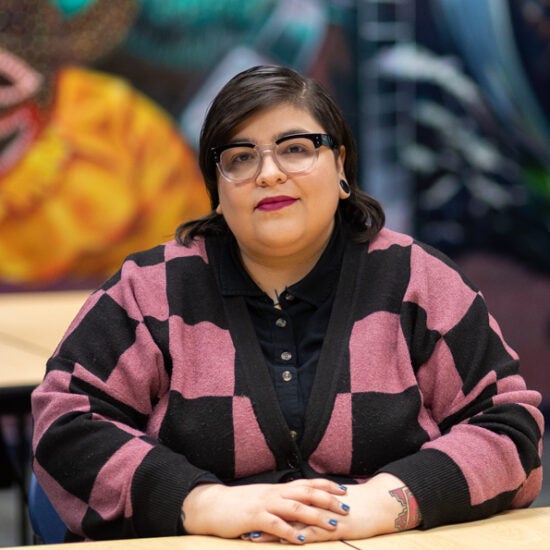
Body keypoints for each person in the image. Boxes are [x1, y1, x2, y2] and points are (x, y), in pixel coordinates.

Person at [31, 65, 544, 544]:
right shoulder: (152, 288)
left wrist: (386, 502)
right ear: (217, 190)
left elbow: (507, 428)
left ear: (341, 165)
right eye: (240, 157)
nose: (269, 173)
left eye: (296, 149)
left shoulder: (416, 280)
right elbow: (66, 425)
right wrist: (202, 503)